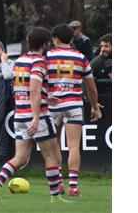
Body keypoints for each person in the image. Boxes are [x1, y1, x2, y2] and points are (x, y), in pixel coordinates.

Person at [0, 27, 69, 203]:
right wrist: (37, 117)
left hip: (20, 115)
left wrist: (46, 97)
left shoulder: (19, 61)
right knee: (52, 156)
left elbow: (23, 89)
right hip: (36, 117)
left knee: (20, 158)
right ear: (45, 44)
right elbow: (33, 90)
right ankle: (56, 197)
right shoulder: (39, 62)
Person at [46, 24, 103, 197]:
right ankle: (73, 187)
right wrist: (95, 107)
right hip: (74, 105)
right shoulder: (81, 57)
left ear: (54, 39)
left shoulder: (46, 57)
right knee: (73, 146)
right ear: (71, 39)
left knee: (53, 145)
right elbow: (91, 87)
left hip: (52, 105)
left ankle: (58, 185)